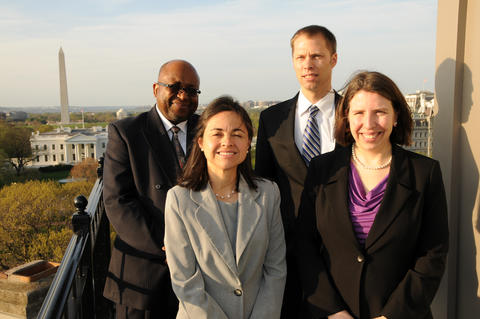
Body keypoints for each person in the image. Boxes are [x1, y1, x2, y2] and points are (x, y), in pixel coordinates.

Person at [296, 71, 449, 319]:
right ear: (346, 118)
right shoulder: (321, 170)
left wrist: (392, 316)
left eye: (380, 112)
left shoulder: (425, 173)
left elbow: (432, 255)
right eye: (358, 113)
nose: (369, 124)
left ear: (396, 116)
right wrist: (333, 311)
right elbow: (304, 244)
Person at [164, 96, 287, 319]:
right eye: (217, 133)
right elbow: (185, 282)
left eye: (237, 134)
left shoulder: (269, 194)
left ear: (248, 142)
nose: (227, 142)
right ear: (200, 141)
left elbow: (275, 270)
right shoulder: (179, 200)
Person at [103, 60, 201, 318]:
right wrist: (169, 245)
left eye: (192, 90)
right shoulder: (126, 132)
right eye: (175, 86)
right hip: (144, 276)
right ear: (156, 88)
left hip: (202, 275)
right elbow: (118, 201)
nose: (183, 95)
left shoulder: (209, 131)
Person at [255, 25, 341, 317]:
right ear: (292, 61)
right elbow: (262, 185)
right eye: (301, 56)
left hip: (342, 253)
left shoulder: (355, 116)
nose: (308, 63)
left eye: (317, 55)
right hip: (286, 256)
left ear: (333, 59)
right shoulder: (271, 119)